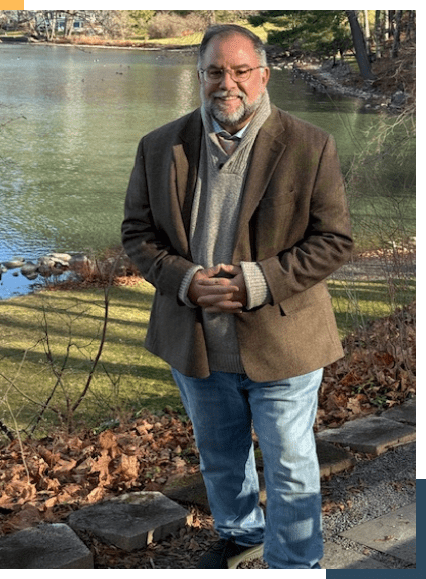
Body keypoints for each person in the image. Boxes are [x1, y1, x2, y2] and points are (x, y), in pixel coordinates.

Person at [121, 24, 353, 569]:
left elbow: (335, 240)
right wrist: (183, 279)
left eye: (240, 70)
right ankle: (241, 532)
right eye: (214, 72)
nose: (228, 83)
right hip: (197, 343)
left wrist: (256, 281)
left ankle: (294, 563)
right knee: (221, 457)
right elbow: (137, 234)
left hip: (283, 340)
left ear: (263, 76)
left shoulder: (309, 145)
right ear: (199, 77)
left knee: (292, 466)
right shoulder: (161, 146)